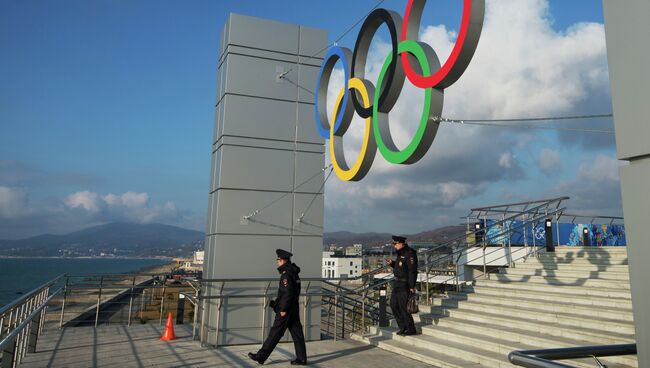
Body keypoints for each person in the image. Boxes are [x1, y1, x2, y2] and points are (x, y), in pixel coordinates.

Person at [248, 249, 307, 365]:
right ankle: (302, 358)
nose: (277, 262)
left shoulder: (286, 275)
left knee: (275, 333)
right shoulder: (293, 273)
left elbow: (287, 293)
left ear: (283, 260)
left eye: (278, 260)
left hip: (286, 310)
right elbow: (294, 292)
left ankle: (261, 356)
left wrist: (283, 309)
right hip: (294, 308)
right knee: (297, 334)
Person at [385, 235, 419, 335]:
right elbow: (400, 266)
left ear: (401, 243)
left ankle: (411, 329)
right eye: (393, 244)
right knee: (393, 305)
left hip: (405, 284)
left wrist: (412, 286)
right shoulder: (401, 253)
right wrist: (392, 263)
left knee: (403, 307)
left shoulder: (410, 253)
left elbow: (412, 271)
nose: (394, 245)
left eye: (395, 244)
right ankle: (402, 327)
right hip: (397, 283)